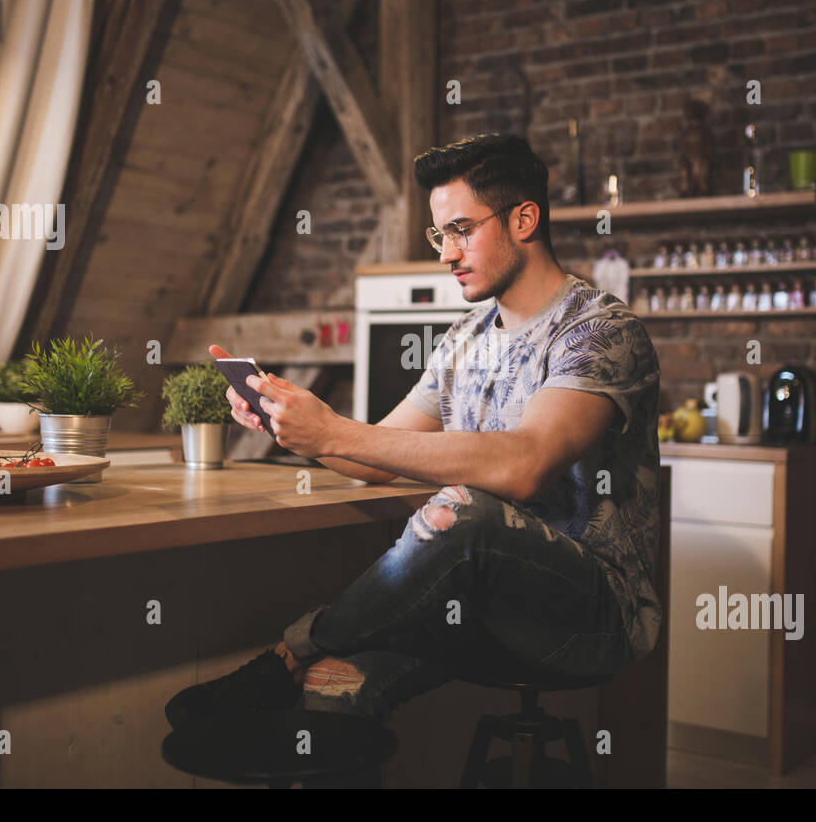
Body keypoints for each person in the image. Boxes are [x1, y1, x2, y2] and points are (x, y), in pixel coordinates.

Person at [165, 133, 662, 786]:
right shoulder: (462, 341)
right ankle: (308, 662)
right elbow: (379, 455)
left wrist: (338, 431)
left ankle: (291, 649)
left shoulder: (600, 331)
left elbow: (524, 465)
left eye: (460, 230)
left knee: (462, 510)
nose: (447, 254)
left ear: (524, 219)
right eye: (438, 236)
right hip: (472, 604)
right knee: (333, 689)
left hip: (588, 613)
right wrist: (302, 429)